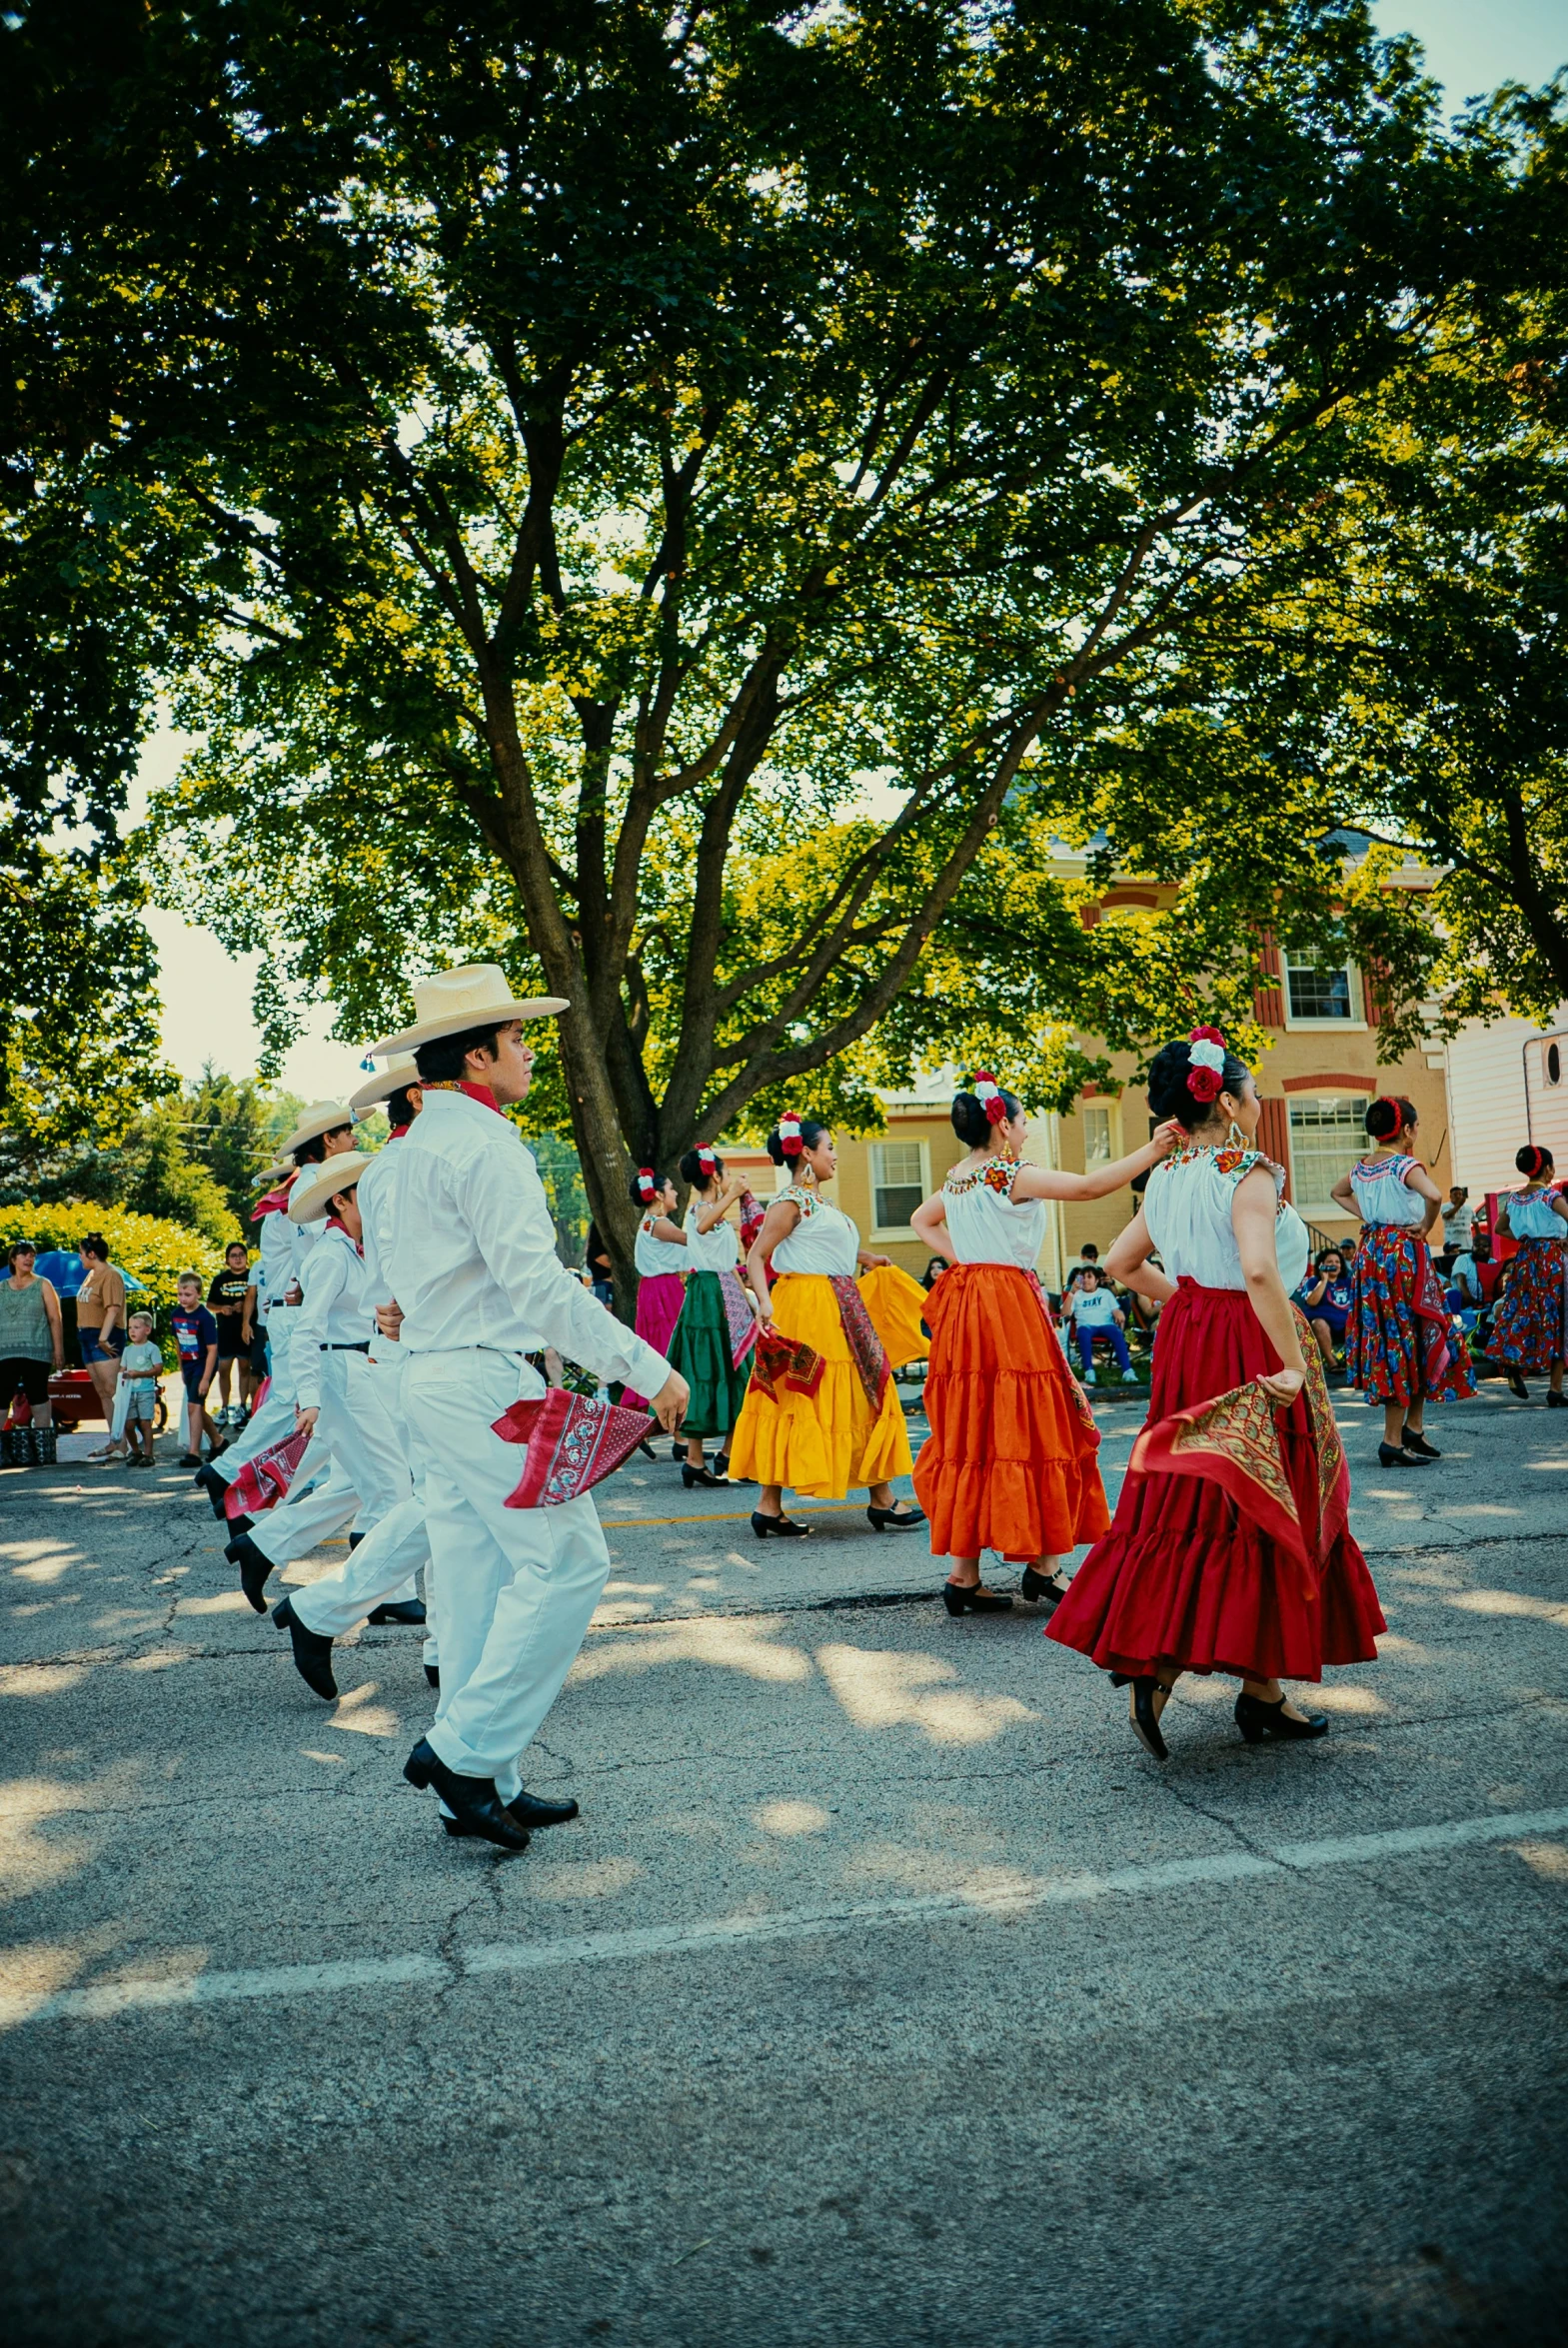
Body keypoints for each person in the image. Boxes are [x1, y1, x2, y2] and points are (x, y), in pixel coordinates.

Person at [369, 964, 689, 1851]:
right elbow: (537, 1284)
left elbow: (389, 1288)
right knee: (567, 1561)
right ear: (477, 1055)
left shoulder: (401, 1155)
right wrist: (643, 1365)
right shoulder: (483, 1144)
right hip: (478, 1377)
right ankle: (464, 1756)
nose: (528, 1052)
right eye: (516, 1038)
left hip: (431, 1375)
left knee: (474, 1584)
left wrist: (401, 1313)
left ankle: (483, 1782)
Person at [1047, 1028, 1385, 1761]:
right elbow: (1261, 1271)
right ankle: (1205, 1675)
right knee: (1264, 1499)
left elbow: (1119, 1262)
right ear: (1228, 1103)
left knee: (1193, 1499)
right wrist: (1292, 1363)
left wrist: (1189, 1307)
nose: (1259, 1099)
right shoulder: (1249, 1171)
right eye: (1252, 1090)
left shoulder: (1166, 1174)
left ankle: (1235, 1683)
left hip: (1193, 1334)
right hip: (1249, 1335)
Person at [908, 1074, 1179, 1616]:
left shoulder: (958, 1176)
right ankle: (1044, 1568)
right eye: (1024, 1118)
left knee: (973, 1425)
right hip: (1006, 1302)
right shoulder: (1011, 1172)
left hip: (966, 1305)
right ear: (1003, 1125)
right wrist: (1151, 1149)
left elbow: (921, 1219)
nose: (1028, 1128)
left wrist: (966, 1258)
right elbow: (1087, 1188)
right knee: (1033, 1419)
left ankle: (963, 1577)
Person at [269, 1059, 435, 1698]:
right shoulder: (343, 1240)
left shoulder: (381, 1207)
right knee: (416, 1497)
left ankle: (437, 1642)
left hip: (384, 1359)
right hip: (369, 1365)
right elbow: (312, 1328)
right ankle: (321, 1605)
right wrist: (309, 1397)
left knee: (419, 1498)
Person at [227, 1145, 414, 1615]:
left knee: (361, 1485)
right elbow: (310, 1330)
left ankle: (263, 1545)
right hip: (338, 1376)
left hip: (362, 1370)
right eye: (365, 1193)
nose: (378, 1201)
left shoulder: (360, 1247)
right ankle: (380, 1595)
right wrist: (308, 1398)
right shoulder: (331, 1253)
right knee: (391, 1487)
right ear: (341, 1202)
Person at [728, 1113, 927, 1538]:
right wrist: (763, 1302)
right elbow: (758, 1256)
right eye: (830, 1147)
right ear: (806, 1153)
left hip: (838, 1302)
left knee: (855, 1391)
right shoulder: (790, 1202)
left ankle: (871, 1497)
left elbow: (823, 1246)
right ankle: (870, 1498)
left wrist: (866, 1259)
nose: (835, 1156)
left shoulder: (817, 1201)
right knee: (808, 1395)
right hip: (808, 1307)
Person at [193, 1107, 356, 1519]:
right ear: (328, 1142)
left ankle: (260, 1503)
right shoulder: (316, 1191)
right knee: (295, 1402)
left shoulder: (296, 1193)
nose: (354, 1140)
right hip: (305, 1311)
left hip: (296, 1308)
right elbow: (333, 1247)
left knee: (315, 1411)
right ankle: (235, 1479)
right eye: (348, 1133)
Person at [1332, 1096, 1473, 1465]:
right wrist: (1426, 1226)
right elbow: (1435, 1195)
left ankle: (1413, 1428)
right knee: (1407, 1331)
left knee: (1401, 1330)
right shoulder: (1404, 1166)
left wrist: (1370, 1215)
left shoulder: (1362, 1168)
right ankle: (1392, 1439)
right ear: (1407, 1130)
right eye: (1417, 1125)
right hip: (1403, 1252)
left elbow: (1337, 1192)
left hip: (1373, 1251)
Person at [665, 1147, 755, 1487]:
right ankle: (703, 1457)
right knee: (710, 1369)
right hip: (708, 1292)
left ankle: (714, 1456)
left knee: (731, 1370)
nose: (730, 1178)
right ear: (716, 1176)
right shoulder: (703, 1209)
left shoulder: (711, 1210)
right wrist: (731, 1194)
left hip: (721, 1290)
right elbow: (702, 1226)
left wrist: (748, 1297)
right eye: (726, 1172)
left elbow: (726, 1259)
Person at [1490, 1146, 1568, 1404]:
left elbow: (1500, 1228)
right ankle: (1555, 1390)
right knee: (1558, 1317)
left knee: (1522, 1312)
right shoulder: (1550, 1197)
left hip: (1526, 1259)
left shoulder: (1514, 1199)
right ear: (1548, 1169)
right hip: (1551, 1260)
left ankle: (1511, 1361)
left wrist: (1525, 1237)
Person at [621, 1171, 689, 1414]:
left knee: (658, 1345)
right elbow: (691, 1241)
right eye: (671, 1188)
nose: (676, 1192)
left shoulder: (650, 1223)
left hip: (654, 1289)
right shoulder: (658, 1223)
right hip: (664, 1290)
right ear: (659, 1194)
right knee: (668, 1346)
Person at [0, 1241, 64, 1437]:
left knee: (37, 1395)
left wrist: (58, 1350)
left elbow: (55, 1318)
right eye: (24, 1255)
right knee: (1, 1396)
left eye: (32, 1255)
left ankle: (42, 1442)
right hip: (4, 1351)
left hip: (37, 1349)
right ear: (13, 1259)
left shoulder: (43, 1284)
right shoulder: (1, 1287)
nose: (29, 1259)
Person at [78, 1233, 130, 1463]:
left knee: (112, 1390)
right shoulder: (90, 1275)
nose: (79, 1257)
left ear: (91, 1253)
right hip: (87, 1337)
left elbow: (113, 1309)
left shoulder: (111, 1275)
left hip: (105, 1337)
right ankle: (113, 1439)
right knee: (102, 1393)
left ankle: (124, 1444)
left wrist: (103, 1337)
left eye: (81, 1252)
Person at [169, 1273, 221, 1466]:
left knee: (193, 1405)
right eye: (180, 1294)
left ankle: (194, 1452)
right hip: (188, 1364)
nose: (183, 1298)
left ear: (198, 1294)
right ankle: (218, 1441)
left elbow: (212, 1349)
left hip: (203, 1363)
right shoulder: (176, 1314)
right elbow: (178, 1342)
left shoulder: (204, 1317)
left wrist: (206, 1378)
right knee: (196, 1406)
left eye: (188, 1294)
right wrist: (181, 1368)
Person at [1062, 1265, 1139, 1385]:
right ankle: (1089, 1370)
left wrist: (1119, 1313)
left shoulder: (1105, 1293)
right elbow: (1065, 1313)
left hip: (1106, 1325)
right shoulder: (1077, 1295)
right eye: (1084, 1277)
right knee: (1083, 1332)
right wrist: (1071, 1293)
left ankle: (1127, 1371)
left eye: (1089, 1277)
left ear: (1097, 1280)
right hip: (1086, 1326)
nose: (1086, 1280)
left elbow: (1115, 1310)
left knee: (1117, 1333)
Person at [207, 1241, 256, 1421]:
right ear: (227, 1260)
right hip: (225, 1330)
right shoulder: (220, 1280)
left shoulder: (252, 1276)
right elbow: (209, 1304)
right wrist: (221, 1309)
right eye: (233, 1255)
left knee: (245, 1367)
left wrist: (246, 1306)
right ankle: (225, 1405)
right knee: (224, 1368)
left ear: (246, 1257)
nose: (237, 1258)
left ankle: (243, 1405)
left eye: (240, 1254)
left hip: (245, 1329)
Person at [117, 1312, 164, 1466]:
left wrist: (139, 1374)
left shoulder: (152, 1349)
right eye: (130, 1328)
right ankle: (135, 1451)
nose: (132, 1331)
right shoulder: (127, 1350)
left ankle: (149, 1454)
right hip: (129, 1393)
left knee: (145, 1423)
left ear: (147, 1330)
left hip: (145, 1391)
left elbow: (158, 1369)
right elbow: (122, 1369)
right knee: (128, 1424)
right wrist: (121, 1380)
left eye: (136, 1327)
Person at [1297, 1245, 1353, 1365]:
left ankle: (1354, 1362)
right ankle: (1332, 1364)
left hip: (1346, 1323)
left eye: (1337, 1262)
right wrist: (1324, 1280)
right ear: (1322, 1264)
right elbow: (1312, 1301)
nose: (1335, 1264)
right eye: (1330, 1262)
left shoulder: (1348, 1282)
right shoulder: (1313, 1281)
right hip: (1324, 1325)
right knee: (1319, 1323)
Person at [1439, 1184, 1473, 1266]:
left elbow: (1475, 1222)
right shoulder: (1445, 1206)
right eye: (1455, 1194)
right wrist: (1459, 1205)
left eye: (1460, 1194)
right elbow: (1447, 1216)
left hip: (1467, 1244)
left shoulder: (1468, 1208)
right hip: (1452, 1245)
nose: (1458, 1196)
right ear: (1450, 1196)